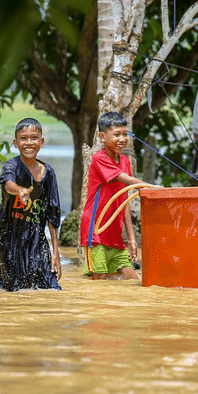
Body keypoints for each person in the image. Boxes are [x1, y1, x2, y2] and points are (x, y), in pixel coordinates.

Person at [0, 117, 63, 291]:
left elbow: (52, 215)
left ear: (42, 142)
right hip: (10, 237)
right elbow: (8, 184)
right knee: (14, 289)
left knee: (50, 287)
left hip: (36, 237)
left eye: (34, 138)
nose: (29, 143)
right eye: (23, 138)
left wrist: (56, 253)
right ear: (16, 143)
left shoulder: (48, 172)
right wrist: (19, 190)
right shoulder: (11, 166)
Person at [80, 111, 151, 280]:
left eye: (125, 134)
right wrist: (155, 188)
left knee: (132, 279)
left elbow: (123, 202)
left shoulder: (125, 161)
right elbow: (126, 179)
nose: (122, 139)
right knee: (99, 280)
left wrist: (131, 239)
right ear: (102, 137)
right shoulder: (99, 157)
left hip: (115, 235)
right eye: (117, 134)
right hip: (96, 231)